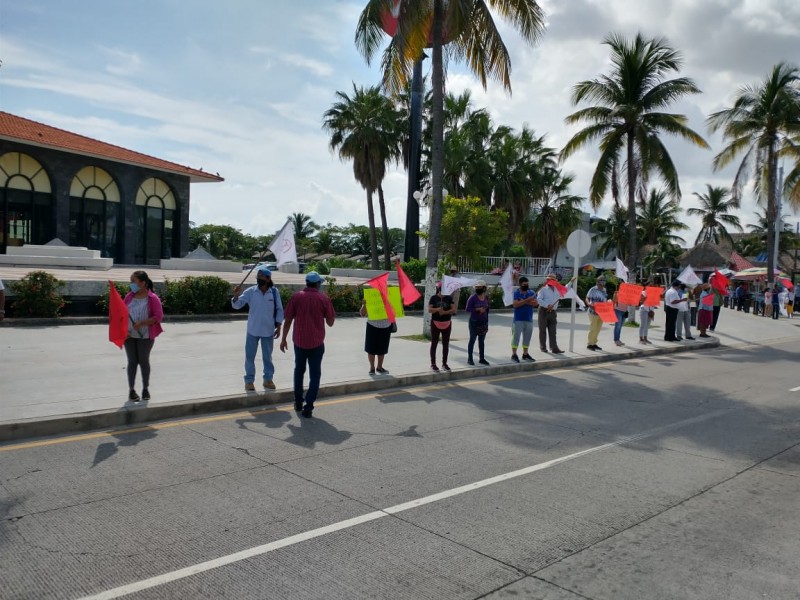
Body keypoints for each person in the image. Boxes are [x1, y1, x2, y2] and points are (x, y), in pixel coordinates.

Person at [279, 271, 336, 418]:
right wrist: (327, 309)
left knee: (299, 371)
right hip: (317, 343)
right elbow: (330, 323)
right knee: (315, 374)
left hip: (299, 341)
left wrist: (283, 338)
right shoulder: (324, 299)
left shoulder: (296, 297)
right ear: (317, 284)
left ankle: (298, 402)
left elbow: (288, 319)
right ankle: (308, 406)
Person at [231, 267, 284, 391]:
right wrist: (235, 296)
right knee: (249, 357)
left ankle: (268, 379)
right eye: (258, 277)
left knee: (267, 357)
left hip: (268, 330)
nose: (259, 279)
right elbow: (237, 305)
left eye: (261, 277)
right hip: (252, 330)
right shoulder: (251, 291)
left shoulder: (274, 293)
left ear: (268, 278)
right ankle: (249, 381)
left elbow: (279, 310)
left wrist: (279, 326)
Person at [123, 270, 163, 402]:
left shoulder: (153, 298)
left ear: (143, 283)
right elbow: (122, 315)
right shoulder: (129, 297)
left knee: (143, 361)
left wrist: (142, 323)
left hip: (145, 335)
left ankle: (145, 388)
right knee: (132, 362)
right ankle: (131, 390)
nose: (131, 284)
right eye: (131, 281)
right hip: (129, 335)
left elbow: (158, 317)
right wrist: (124, 330)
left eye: (133, 281)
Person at [359, 294, 393, 375]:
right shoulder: (371, 296)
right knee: (370, 348)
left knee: (383, 348)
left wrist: (399, 303)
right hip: (372, 325)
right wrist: (364, 305)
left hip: (386, 325)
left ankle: (379, 367)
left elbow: (396, 311)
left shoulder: (390, 296)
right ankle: (372, 368)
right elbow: (362, 314)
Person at [428, 282, 456, 371]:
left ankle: (444, 363)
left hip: (447, 323)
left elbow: (453, 309)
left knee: (446, 344)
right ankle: (433, 364)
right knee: (434, 343)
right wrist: (437, 309)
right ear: (438, 288)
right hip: (435, 323)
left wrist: (444, 312)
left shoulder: (449, 298)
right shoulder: (433, 298)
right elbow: (429, 309)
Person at [511, 276, 538, 362]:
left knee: (527, 337)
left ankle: (525, 354)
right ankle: (514, 354)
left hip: (529, 318)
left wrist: (523, 301)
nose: (526, 286)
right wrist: (527, 301)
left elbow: (535, 304)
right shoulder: (516, 293)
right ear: (520, 285)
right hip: (518, 319)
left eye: (527, 284)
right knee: (516, 337)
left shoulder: (531, 292)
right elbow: (515, 304)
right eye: (524, 284)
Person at [537, 275, 564, 353]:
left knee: (553, 331)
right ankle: (543, 347)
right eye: (549, 279)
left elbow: (565, 290)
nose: (551, 281)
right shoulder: (543, 289)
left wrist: (571, 282)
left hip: (553, 312)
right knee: (542, 330)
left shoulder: (557, 289)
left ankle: (554, 347)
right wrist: (547, 305)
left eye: (553, 280)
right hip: (543, 311)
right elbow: (539, 299)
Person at [465, 280, 490, 366]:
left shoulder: (486, 298)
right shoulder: (473, 298)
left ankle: (482, 358)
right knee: (472, 339)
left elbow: (487, 310)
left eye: (480, 288)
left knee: (481, 341)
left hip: (483, 321)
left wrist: (487, 322)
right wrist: (477, 309)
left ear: (484, 288)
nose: (478, 289)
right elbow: (467, 309)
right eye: (477, 288)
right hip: (474, 321)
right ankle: (470, 358)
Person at [585, 276, 608, 351]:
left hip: (601, 313)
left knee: (598, 329)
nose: (602, 283)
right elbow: (587, 298)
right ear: (597, 282)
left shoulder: (604, 290)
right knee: (593, 328)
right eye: (601, 281)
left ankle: (594, 343)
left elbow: (604, 300)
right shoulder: (593, 289)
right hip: (593, 312)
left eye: (603, 281)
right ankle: (589, 344)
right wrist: (589, 304)